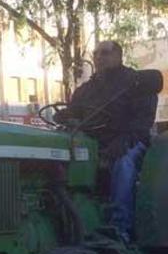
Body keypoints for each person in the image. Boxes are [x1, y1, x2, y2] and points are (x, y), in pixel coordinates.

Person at [63, 40, 158, 241]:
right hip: (92, 144)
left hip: (129, 142)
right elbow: (74, 114)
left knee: (123, 164)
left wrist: (124, 141)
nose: (99, 57)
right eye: (96, 53)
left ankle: (120, 227)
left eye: (105, 53)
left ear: (118, 55)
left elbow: (143, 121)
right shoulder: (85, 90)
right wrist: (64, 116)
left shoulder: (136, 83)